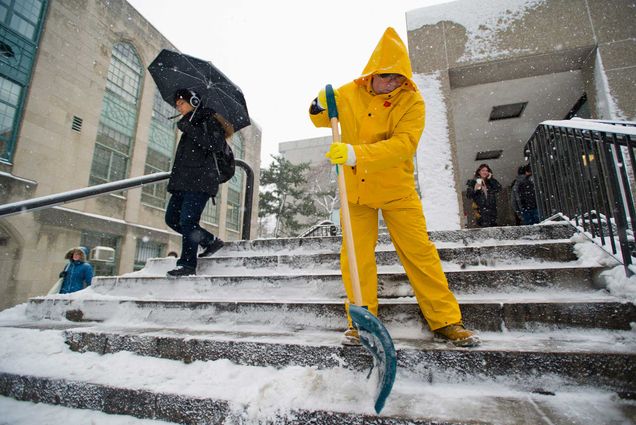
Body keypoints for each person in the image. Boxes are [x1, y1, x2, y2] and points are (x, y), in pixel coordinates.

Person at [309, 27, 479, 348]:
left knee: (419, 252)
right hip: (356, 191)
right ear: (372, 73)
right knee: (356, 258)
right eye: (387, 77)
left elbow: (404, 145)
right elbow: (320, 117)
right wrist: (317, 105)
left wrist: (356, 153)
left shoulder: (412, 101)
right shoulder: (348, 92)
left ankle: (445, 320)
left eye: (399, 78)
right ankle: (361, 320)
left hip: (396, 188)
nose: (392, 84)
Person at [165, 89, 228, 277]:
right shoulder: (188, 123)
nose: (179, 107)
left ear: (193, 101)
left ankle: (187, 264)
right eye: (177, 104)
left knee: (188, 221)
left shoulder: (209, 120)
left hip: (201, 181)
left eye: (181, 103)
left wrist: (189, 128)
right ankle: (210, 241)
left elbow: (214, 145)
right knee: (172, 219)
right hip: (183, 182)